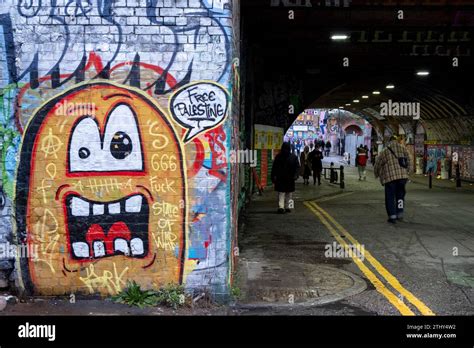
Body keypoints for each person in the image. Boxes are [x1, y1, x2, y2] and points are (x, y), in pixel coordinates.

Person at [374, 135, 411, 224]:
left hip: (390, 178)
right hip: (402, 177)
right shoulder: (403, 148)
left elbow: (378, 164)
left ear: (389, 142)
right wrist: (407, 172)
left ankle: (392, 216)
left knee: (390, 197)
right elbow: (409, 161)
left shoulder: (385, 151)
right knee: (400, 196)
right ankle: (400, 214)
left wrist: (376, 174)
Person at [271, 142, 300, 214]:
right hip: (290, 178)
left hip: (280, 178)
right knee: (289, 194)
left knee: (281, 193)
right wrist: (296, 175)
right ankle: (289, 207)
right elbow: (297, 167)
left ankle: (281, 207)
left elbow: (274, 168)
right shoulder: (294, 157)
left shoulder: (278, 156)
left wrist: (273, 177)